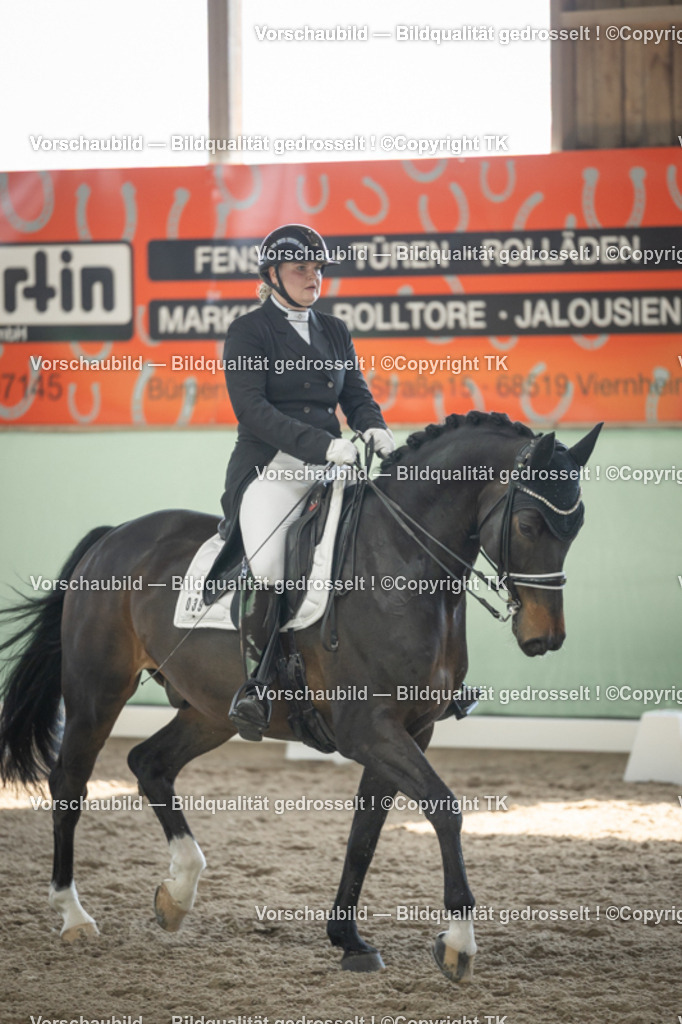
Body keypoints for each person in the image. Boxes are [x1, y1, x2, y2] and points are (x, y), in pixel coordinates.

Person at [219, 223, 395, 741]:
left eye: (318, 269)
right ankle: (255, 683)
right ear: (272, 274)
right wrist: (323, 445)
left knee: (382, 544)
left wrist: (375, 428)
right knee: (271, 562)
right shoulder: (249, 331)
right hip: (270, 468)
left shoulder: (335, 330)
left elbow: (356, 394)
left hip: (333, 466)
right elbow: (251, 409)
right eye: (300, 268)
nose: (312, 277)